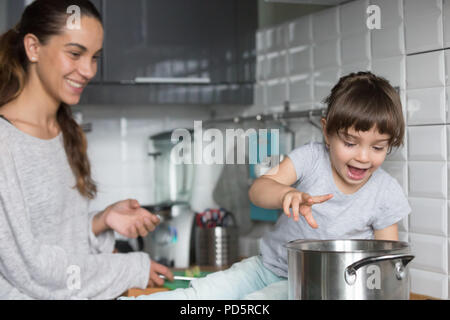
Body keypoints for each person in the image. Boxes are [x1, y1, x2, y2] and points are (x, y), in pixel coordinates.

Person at [125, 71, 411, 300]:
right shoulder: (311, 159)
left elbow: (386, 262)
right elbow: (260, 189)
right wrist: (286, 193)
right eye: (350, 143)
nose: (363, 157)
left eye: (378, 147)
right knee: (201, 294)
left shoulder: (386, 192)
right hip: (265, 268)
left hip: (312, 290)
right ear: (326, 131)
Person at [0, 0, 173, 300]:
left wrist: (100, 221)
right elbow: (31, 270)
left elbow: (51, 239)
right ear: (33, 48)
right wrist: (131, 268)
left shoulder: (66, 131)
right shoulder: (5, 144)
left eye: (94, 57)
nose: (89, 70)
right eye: (76, 54)